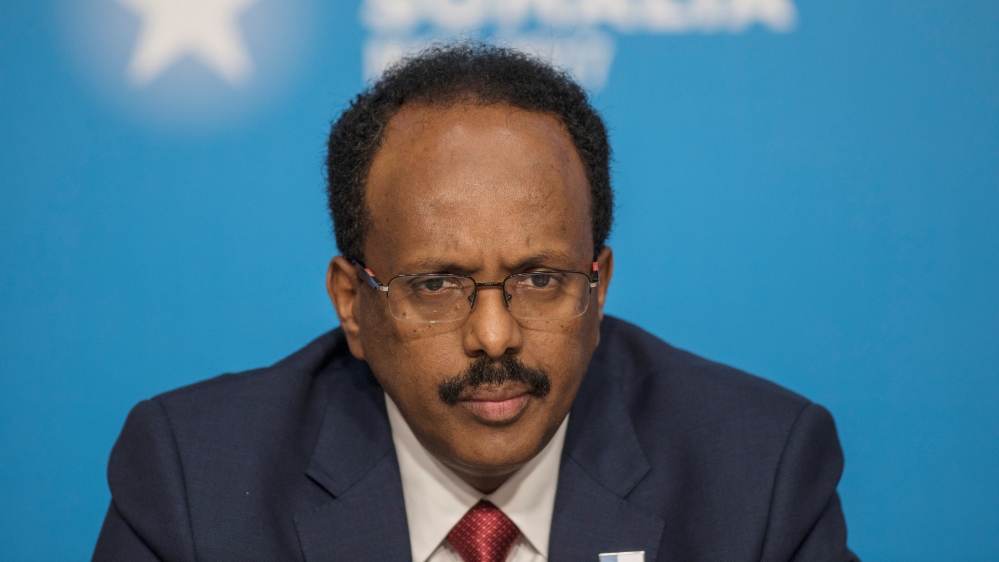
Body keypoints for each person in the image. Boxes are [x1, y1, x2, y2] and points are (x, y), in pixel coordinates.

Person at [93, 42, 858, 562]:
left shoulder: (757, 476)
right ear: (352, 304)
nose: (494, 337)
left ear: (599, 288)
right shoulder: (195, 483)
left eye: (539, 279)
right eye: (435, 285)